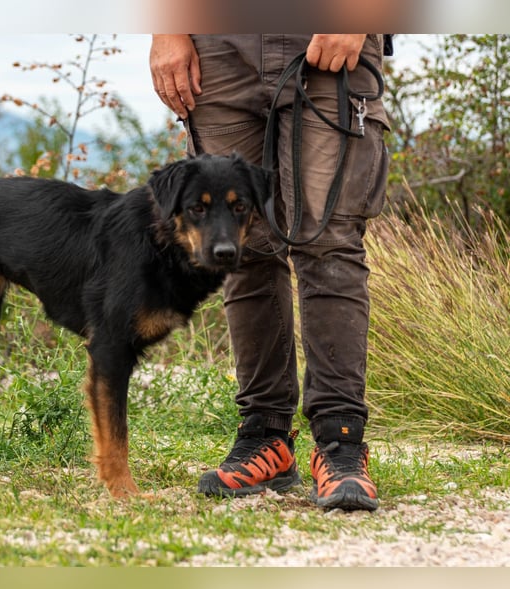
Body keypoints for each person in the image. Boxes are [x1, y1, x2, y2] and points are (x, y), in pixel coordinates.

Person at [149, 34, 390, 511]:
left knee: (329, 242)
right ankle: (265, 436)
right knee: (239, 249)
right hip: (216, 45)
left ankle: (339, 442)